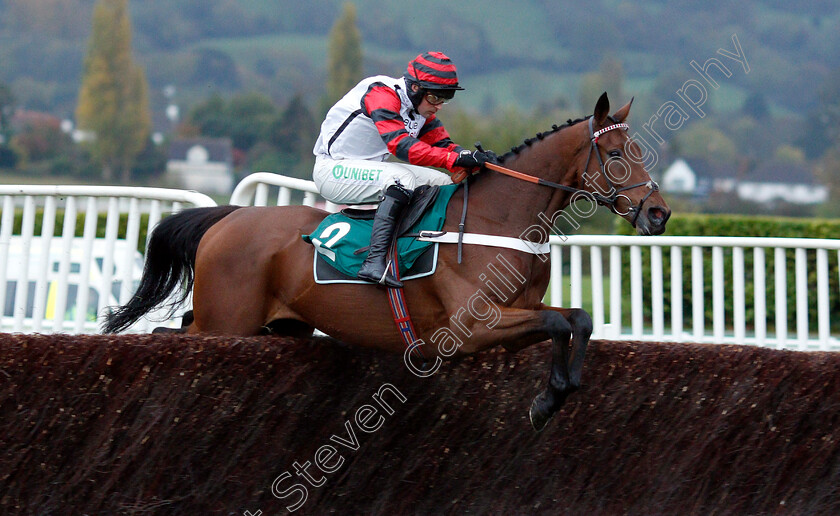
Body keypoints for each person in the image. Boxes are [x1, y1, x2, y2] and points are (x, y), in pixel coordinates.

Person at [313, 51, 494, 288]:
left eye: (445, 98)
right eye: (434, 98)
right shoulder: (381, 94)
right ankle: (374, 262)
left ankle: (423, 249)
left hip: (367, 170)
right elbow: (401, 146)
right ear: (415, 88)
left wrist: (475, 158)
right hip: (333, 171)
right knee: (402, 179)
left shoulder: (420, 110)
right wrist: (454, 158)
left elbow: (444, 146)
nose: (438, 106)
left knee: (444, 184)